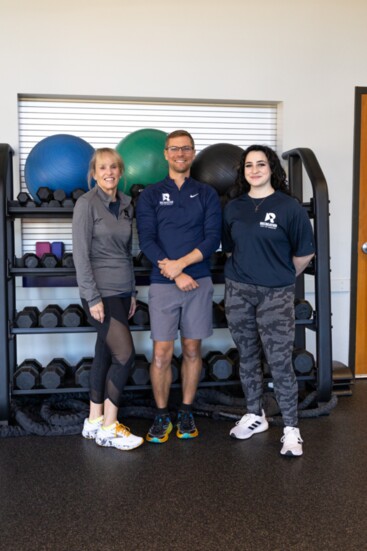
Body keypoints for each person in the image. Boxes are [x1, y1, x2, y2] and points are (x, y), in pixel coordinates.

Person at [222, 144, 315, 457]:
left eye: (261, 164)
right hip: (238, 290)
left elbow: (304, 253)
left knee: (279, 361)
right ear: (243, 171)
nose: (255, 170)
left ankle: (291, 429)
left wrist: (280, 275)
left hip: (276, 292)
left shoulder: (289, 207)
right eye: (249, 165)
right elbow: (231, 248)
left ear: (272, 168)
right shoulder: (234, 207)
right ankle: (255, 415)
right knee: (247, 355)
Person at [136, 130, 222, 443]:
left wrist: (182, 266)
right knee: (161, 352)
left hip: (197, 281)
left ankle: (185, 410)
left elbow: (212, 238)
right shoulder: (151, 194)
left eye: (186, 148)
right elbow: (147, 240)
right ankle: (161, 416)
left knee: (191, 348)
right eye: (175, 149)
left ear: (193, 152)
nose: (180, 154)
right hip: (163, 283)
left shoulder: (207, 193)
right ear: (165, 153)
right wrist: (174, 273)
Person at [72, 147, 143, 451]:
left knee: (104, 353)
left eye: (114, 167)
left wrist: (133, 292)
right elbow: (80, 254)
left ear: (121, 171)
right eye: (103, 168)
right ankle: (110, 427)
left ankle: (93, 418)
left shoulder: (126, 204)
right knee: (125, 354)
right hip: (99, 293)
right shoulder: (86, 204)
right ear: (94, 172)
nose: (109, 172)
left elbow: (128, 253)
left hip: (122, 291)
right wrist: (92, 298)